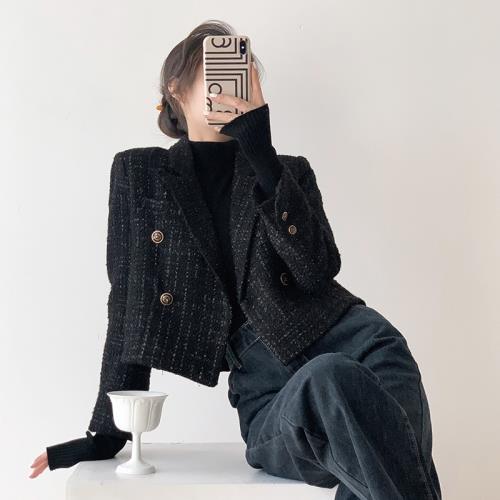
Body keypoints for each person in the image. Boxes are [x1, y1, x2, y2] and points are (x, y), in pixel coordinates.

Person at [30, 20, 441, 500]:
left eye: (242, 74)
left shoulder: (287, 172)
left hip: (364, 342)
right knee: (334, 383)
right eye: (216, 70)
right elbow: (127, 303)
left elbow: (318, 269)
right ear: (175, 87)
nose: (230, 84)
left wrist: (261, 150)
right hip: (270, 388)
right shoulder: (140, 173)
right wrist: (107, 433)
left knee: (378, 454)